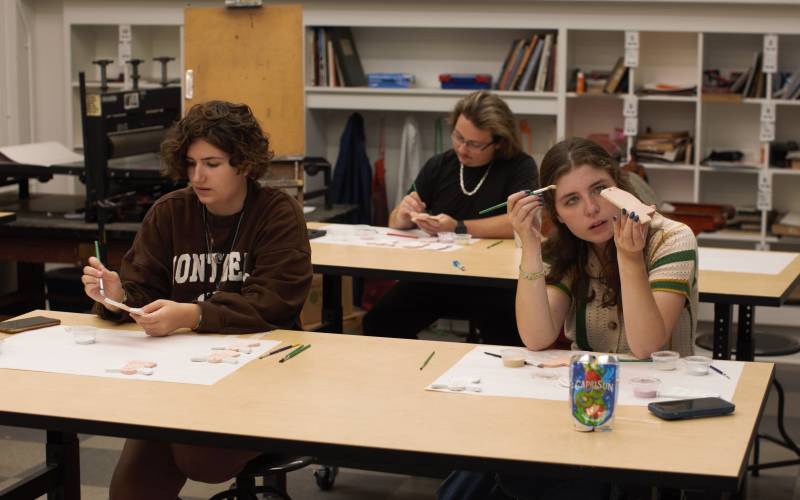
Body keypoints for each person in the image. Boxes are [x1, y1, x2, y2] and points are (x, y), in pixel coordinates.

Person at [81, 100, 312, 500]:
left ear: (243, 163)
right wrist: (117, 297)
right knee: (128, 492)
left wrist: (191, 314)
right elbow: (141, 289)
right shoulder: (171, 212)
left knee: (199, 458)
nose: (197, 176)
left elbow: (275, 304)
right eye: (190, 164)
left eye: (212, 163)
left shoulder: (277, 213)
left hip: (259, 375)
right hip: (179, 376)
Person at [362, 90, 537, 346]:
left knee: (509, 342)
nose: (462, 149)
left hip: (495, 282)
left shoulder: (519, 167)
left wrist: (459, 227)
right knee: (379, 322)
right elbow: (394, 220)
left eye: (474, 144)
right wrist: (403, 216)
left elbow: (520, 222)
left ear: (498, 142)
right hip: (439, 277)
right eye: (458, 137)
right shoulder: (440, 165)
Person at [509, 136, 697, 359]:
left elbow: (647, 348)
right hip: (591, 386)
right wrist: (530, 245)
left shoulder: (671, 238)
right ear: (557, 214)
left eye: (599, 189)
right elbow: (536, 338)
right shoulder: (565, 247)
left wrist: (630, 257)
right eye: (572, 200)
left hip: (665, 386)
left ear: (617, 184)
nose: (591, 209)